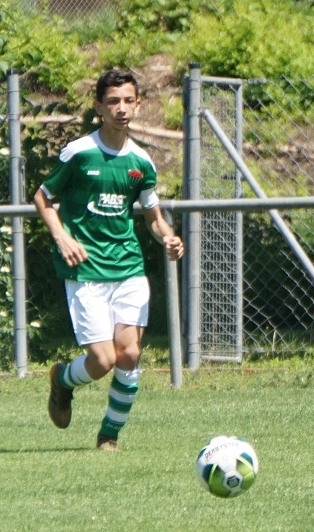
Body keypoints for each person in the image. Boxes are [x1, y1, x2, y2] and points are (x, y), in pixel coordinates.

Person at [34, 69, 184, 452]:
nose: (121, 108)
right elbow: (43, 197)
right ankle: (62, 380)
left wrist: (168, 238)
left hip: (128, 268)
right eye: (113, 101)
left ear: (138, 105)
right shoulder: (79, 152)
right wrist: (62, 236)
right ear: (99, 107)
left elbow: (153, 217)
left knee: (129, 353)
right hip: (86, 270)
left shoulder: (141, 162)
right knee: (102, 361)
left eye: (128, 101)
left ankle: (109, 437)